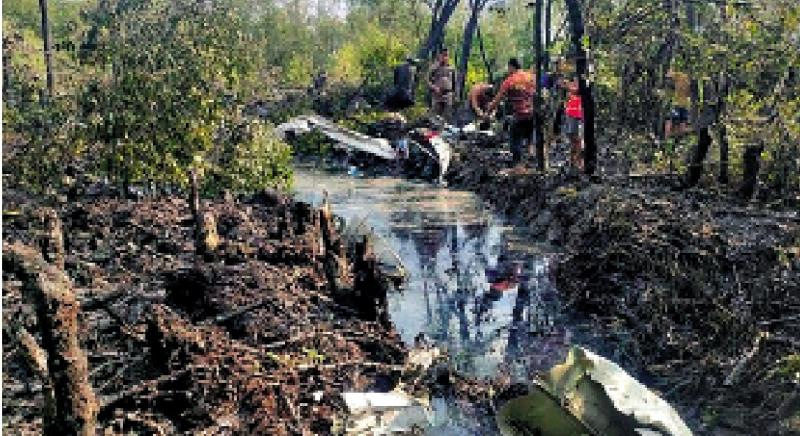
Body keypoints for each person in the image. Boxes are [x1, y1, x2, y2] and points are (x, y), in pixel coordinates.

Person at [486, 58, 536, 165]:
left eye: (508, 68)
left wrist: (488, 112)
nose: (508, 70)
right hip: (533, 114)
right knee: (530, 138)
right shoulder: (531, 77)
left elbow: (497, 100)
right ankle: (532, 160)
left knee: (515, 140)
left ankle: (518, 166)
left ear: (511, 67)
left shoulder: (509, 81)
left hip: (520, 115)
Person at [427, 48, 457, 123]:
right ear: (440, 56)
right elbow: (427, 80)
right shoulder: (434, 67)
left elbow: (455, 83)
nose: (445, 57)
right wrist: (434, 87)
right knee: (435, 116)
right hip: (437, 94)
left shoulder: (452, 68)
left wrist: (454, 95)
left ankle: (444, 131)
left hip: (448, 94)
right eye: (443, 55)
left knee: (447, 116)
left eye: (446, 55)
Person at [562, 75, 583, 171]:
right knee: (572, 138)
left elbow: (578, 91)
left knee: (577, 139)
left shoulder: (582, 85)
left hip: (577, 115)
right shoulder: (571, 85)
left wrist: (568, 86)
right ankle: (572, 161)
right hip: (570, 114)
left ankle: (578, 161)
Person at [665, 69, 691, 139]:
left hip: (684, 105)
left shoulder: (689, 80)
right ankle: (668, 138)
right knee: (671, 121)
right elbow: (669, 75)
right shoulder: (679, 76)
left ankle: (674, 137)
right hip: (677, 104)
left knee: (680, 124)